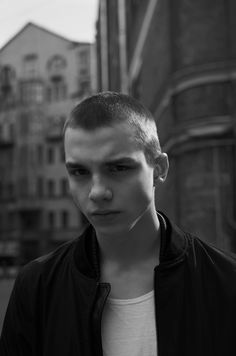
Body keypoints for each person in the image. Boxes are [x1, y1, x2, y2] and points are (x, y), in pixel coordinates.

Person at [0, 91, 236, 356]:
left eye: (118, 168)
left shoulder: (225, 282)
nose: (97, 192)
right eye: (79, 172)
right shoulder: (36, 287)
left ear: (159, 169)